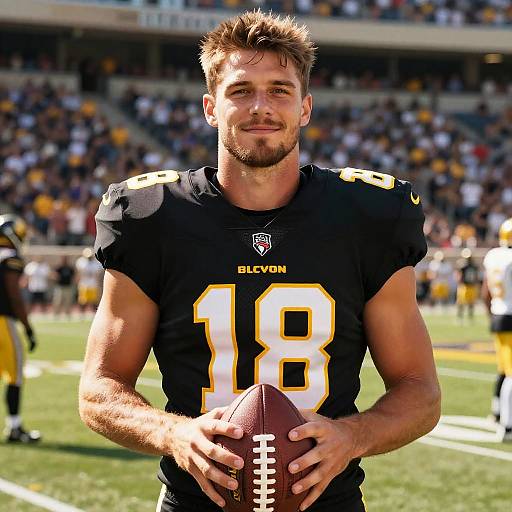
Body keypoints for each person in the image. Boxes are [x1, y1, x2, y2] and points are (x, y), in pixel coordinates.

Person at [79, 11, 440, 512]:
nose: (261, 107)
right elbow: (99, 388)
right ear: (210, 107)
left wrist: (350, 437)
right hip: (195, 500)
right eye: (240, 90)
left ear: (305, 107)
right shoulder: (152, 216)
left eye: (279, 90)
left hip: (327, 500)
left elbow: (420, 390)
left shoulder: (367, 216)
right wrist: (176, 434)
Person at [0, 214, 40, 443]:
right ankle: (14, 427)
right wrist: (27, 327)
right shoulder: (10, 257)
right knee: (14, 375)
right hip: (2, 322)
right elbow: (15, 296)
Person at [482, 218, 512, 441]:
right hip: (510, 316)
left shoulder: (493, 255)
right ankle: (507, 426)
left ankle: (497, 411)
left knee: (504, 369)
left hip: (498, 315)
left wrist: (490, 313)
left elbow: (486, 292)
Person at [75, 248, 103, 315]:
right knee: (83, 301)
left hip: (93, 283)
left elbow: (98, 274)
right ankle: (81, 314)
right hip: (84, 283)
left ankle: (94, 314)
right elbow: (78, 273)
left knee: (94, 301)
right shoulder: (81, 262)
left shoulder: (96, 263)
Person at [454, 248, 479, 323]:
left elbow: (459, 276)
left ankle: (465, 317)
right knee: (462, 302)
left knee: (468, 303)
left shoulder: (463, 266)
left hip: (467, 286)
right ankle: (462, 317)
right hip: (466, 286)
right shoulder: (472, 266)